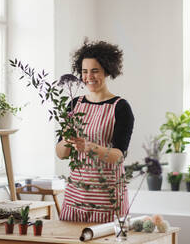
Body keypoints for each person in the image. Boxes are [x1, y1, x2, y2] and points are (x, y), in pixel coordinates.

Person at [56, 40, 134, 223]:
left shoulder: (120, 107)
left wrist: (90, 147)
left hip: (107, 198)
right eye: (84, 71)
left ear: (107, 71)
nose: (88, 76)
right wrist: (68, 139)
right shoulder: (74, 105)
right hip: (76, 196)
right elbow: (61, 154)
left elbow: (119, 156)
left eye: (95, 70)